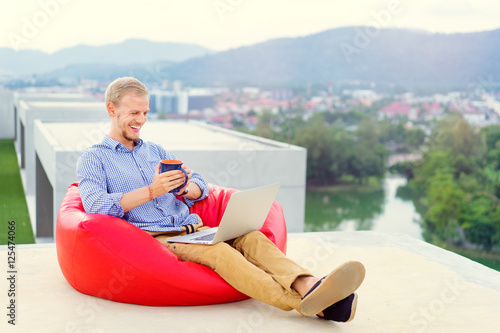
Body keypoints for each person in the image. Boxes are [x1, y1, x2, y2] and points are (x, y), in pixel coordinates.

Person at [77, 77, 365, 322]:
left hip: (195, 228)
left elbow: (202, 185)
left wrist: (184, 187)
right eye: (134, 113)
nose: (141, 120)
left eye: (145, 113)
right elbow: (94, 205)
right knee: (221, 252)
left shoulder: (155, 150)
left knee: (251, 237)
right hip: (159, 237)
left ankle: (310, 284)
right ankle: (307, 303)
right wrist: (153, 190)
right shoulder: (94, 158)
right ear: (111, 109)